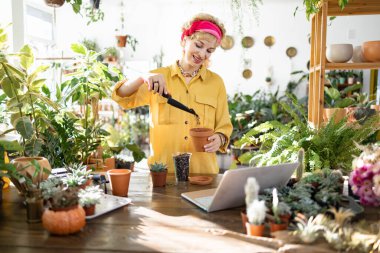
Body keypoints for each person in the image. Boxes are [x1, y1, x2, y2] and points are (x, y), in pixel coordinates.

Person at [112, 13, 232, 174]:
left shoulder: (216, 83)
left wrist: (220, 138)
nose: (202, 54)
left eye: (209, 50)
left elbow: (224, 126)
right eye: (198, 45)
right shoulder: (156, 77)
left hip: (204, 174)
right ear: (184, 41)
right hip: (163, 173)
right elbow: (121, 96)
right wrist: (142, 77)